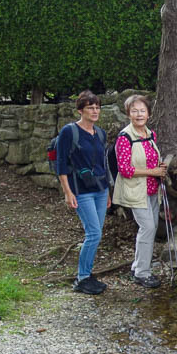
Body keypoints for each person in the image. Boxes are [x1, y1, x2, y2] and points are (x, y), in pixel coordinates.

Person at [57, 90, 112, 295]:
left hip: (100, 189)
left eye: (97, 107)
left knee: (96, 235)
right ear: (81, 110)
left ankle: (87, 274)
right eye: (90, 107)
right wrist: (67, 192)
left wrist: (107, 191)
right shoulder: (69, 132)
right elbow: (62, 164)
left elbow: (103, 164)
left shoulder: (100, 133)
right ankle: (82, 278)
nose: (95, 110)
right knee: (93, 233)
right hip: (81, 191)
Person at [113, 94, 167, 289]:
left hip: (152, 190)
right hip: (137, 191)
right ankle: (142, 273)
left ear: (148, 113)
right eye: (134, 111)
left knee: (148, 229)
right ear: (128, 113)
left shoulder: (150, 134)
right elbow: (125, 169)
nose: (139, 114)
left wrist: (159, 166)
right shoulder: (125, 137)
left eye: (142, 110)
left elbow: (150, 158)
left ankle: (137, 266)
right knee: (148, 228)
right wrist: (153, 171)